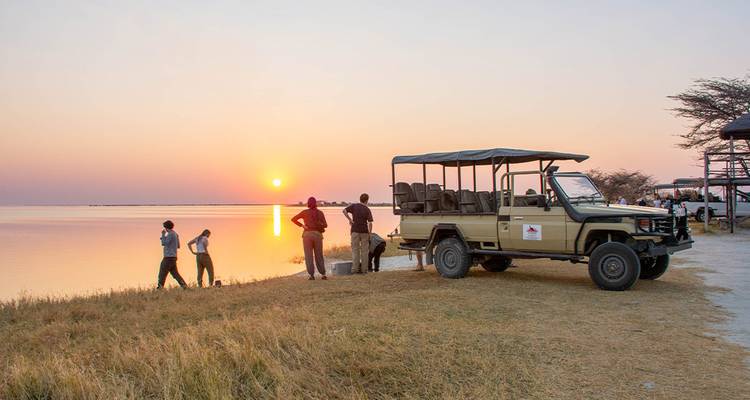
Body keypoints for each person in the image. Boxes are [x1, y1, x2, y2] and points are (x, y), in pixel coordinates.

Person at [292, 197, 328, 280]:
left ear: (308, 203)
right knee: (319, 255)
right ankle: (323, 274)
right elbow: (325, 225)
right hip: (318, 235)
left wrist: (302, 225)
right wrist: (320, 225)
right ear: (315, 203)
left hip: (307, 235)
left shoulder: (304, 212)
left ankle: (311, 275)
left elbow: (293, 219)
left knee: (308, 256)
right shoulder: (320, 213)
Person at [343, 193, 373, 274]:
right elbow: (370, 223)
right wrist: (370, 234)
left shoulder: (354, 206)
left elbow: (344, 211)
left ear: (360, 199)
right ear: (367, 200)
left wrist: (350, 220)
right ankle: (364, 270)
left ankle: (355, 270)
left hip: (355, 231)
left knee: (355, 251)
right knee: (364, 252)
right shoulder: (367, 209)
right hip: (364, 232)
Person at [158, 220, 187, 289]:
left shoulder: (170, 234)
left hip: (168, 257)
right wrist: (165, 238)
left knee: (162, 273)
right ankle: (185, 286)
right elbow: (178, 246)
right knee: (175, 274)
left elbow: (164, 243)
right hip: (173, 257)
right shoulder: (175, 234)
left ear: (166, 227)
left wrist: (163, 235)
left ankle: (160, 288)